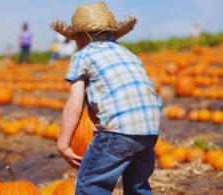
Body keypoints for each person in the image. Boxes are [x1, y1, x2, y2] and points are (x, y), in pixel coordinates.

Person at [51, 2, 162, 195]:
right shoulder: (128, 53)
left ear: (79, 37)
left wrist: (63, 143)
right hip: (150, 130)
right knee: (138, 187)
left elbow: (74, 105)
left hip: (118, 131)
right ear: (112, 33)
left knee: (90, 186)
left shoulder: (82, 56)